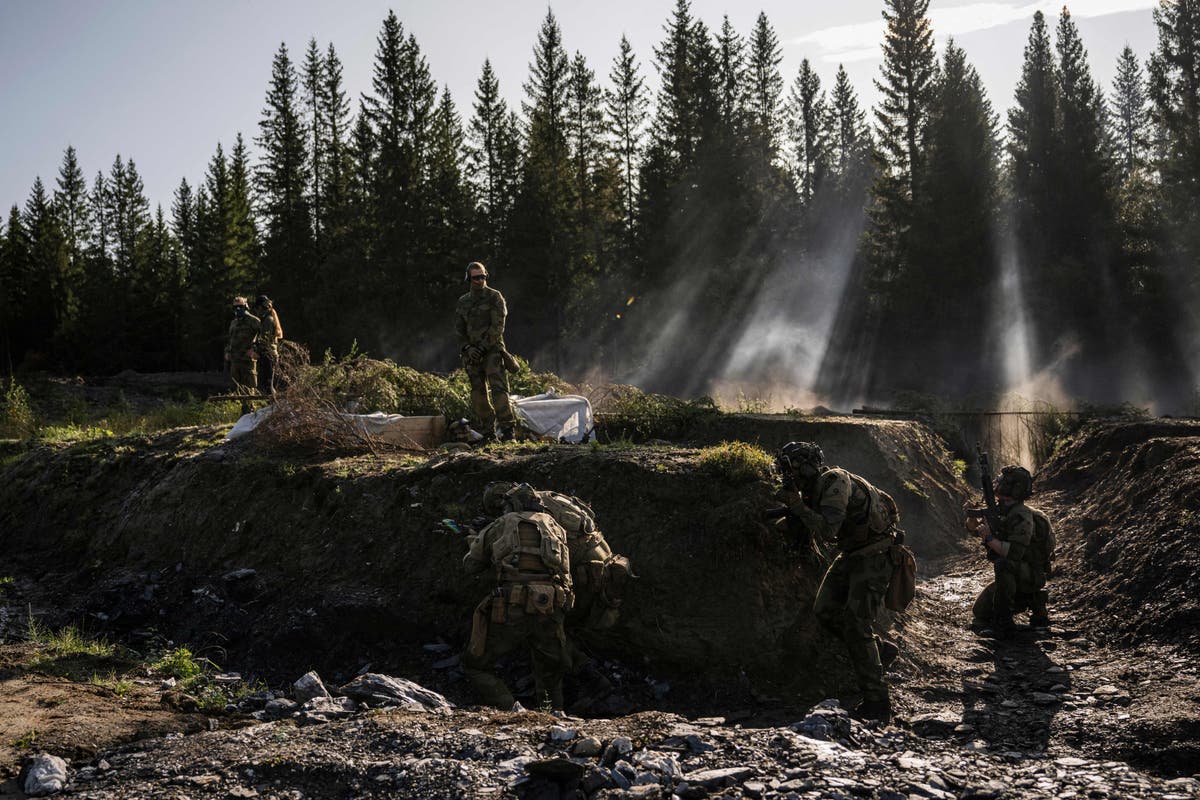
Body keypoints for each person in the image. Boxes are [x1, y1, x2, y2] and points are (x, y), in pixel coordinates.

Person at [775, 441, 903, 724]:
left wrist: (796, 505)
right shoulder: (811, 490)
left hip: (876, 555)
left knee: (858, 625)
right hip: (853, 554)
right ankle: (879, 651)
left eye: (795, 469)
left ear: (809, 466)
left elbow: (828, 530)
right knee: (824, 610)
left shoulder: (834, 481)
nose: (792, 475)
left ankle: (877, 701)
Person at [482, 482, 635, 710]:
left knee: (548, 622)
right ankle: (586, 682)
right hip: (603, 558)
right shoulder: (549, 498)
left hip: (584, 569)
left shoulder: (533, 514)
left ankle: (588, 680)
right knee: (550, 626)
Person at [461, 509, 573, 711]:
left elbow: (471, 566)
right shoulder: (556, 527)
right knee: (550, 672)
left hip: (511, 607)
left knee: (475, 666)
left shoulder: (502, 523)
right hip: (549, 606)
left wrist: (474, 540)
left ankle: (511, 711)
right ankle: (553, 717)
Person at [967, 465, 1053, 635]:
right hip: (1017, 572)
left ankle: (1005, 621)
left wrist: (990, 538)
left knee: (1003, 564)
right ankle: (1029, 599)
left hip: (1029, 574)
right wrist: (972, 516)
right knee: (980, 611)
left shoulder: (1021, 516)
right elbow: (974, 530)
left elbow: (1013, 553)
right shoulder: (1003, 509)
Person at [454, 262, 516, 441]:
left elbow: (498, 327)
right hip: (472, 355)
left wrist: (482, 348)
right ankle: (488, 431)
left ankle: (507, 430)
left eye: (482, 276)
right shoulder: (463, 301)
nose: (480, 280)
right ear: (469, 279)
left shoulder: (494, 297)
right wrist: (467, 348)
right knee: (478, 392)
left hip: (492, 352)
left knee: (499, 390)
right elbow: (459, 330)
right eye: (476, 277)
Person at [224, 297, 261, 415]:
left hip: (248, 360)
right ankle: (243, 414)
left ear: (246, 306)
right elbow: (231, 339)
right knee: (237, 387)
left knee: (249, 387)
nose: (238, 309)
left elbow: (263, 337)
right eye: (235, 307)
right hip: (235, 360)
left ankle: (251, 412)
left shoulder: (254, 321)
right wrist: (228, 351)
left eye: (240, 306)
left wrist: (255, 350)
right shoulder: (234, 322)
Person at [252, 294, 283, 395]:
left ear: (260, 307)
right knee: (266, 385)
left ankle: (272, 408)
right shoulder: (266, 319)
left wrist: (256, 351)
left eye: (257, 308)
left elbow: (265, 339)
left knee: (268, 385)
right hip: (267, 354)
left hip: (268, 355)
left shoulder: (268, 320)